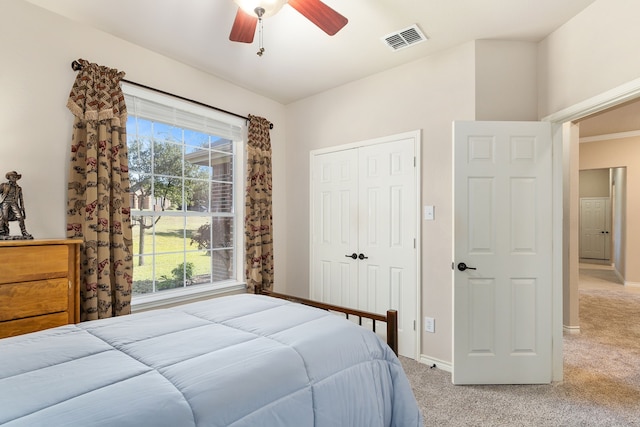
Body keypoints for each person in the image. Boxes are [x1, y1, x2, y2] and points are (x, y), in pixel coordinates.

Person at [0, 171, 32, 238]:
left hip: (14, 203)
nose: (14, 178)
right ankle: (3, 232)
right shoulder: (4, 185)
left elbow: (21, 198)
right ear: (9, 177)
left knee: (20, 217)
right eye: (12, 176)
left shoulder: (18, 188)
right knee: (4, 217)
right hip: (5, 203)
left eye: (15, 177)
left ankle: (24, 231)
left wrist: (22, 207)